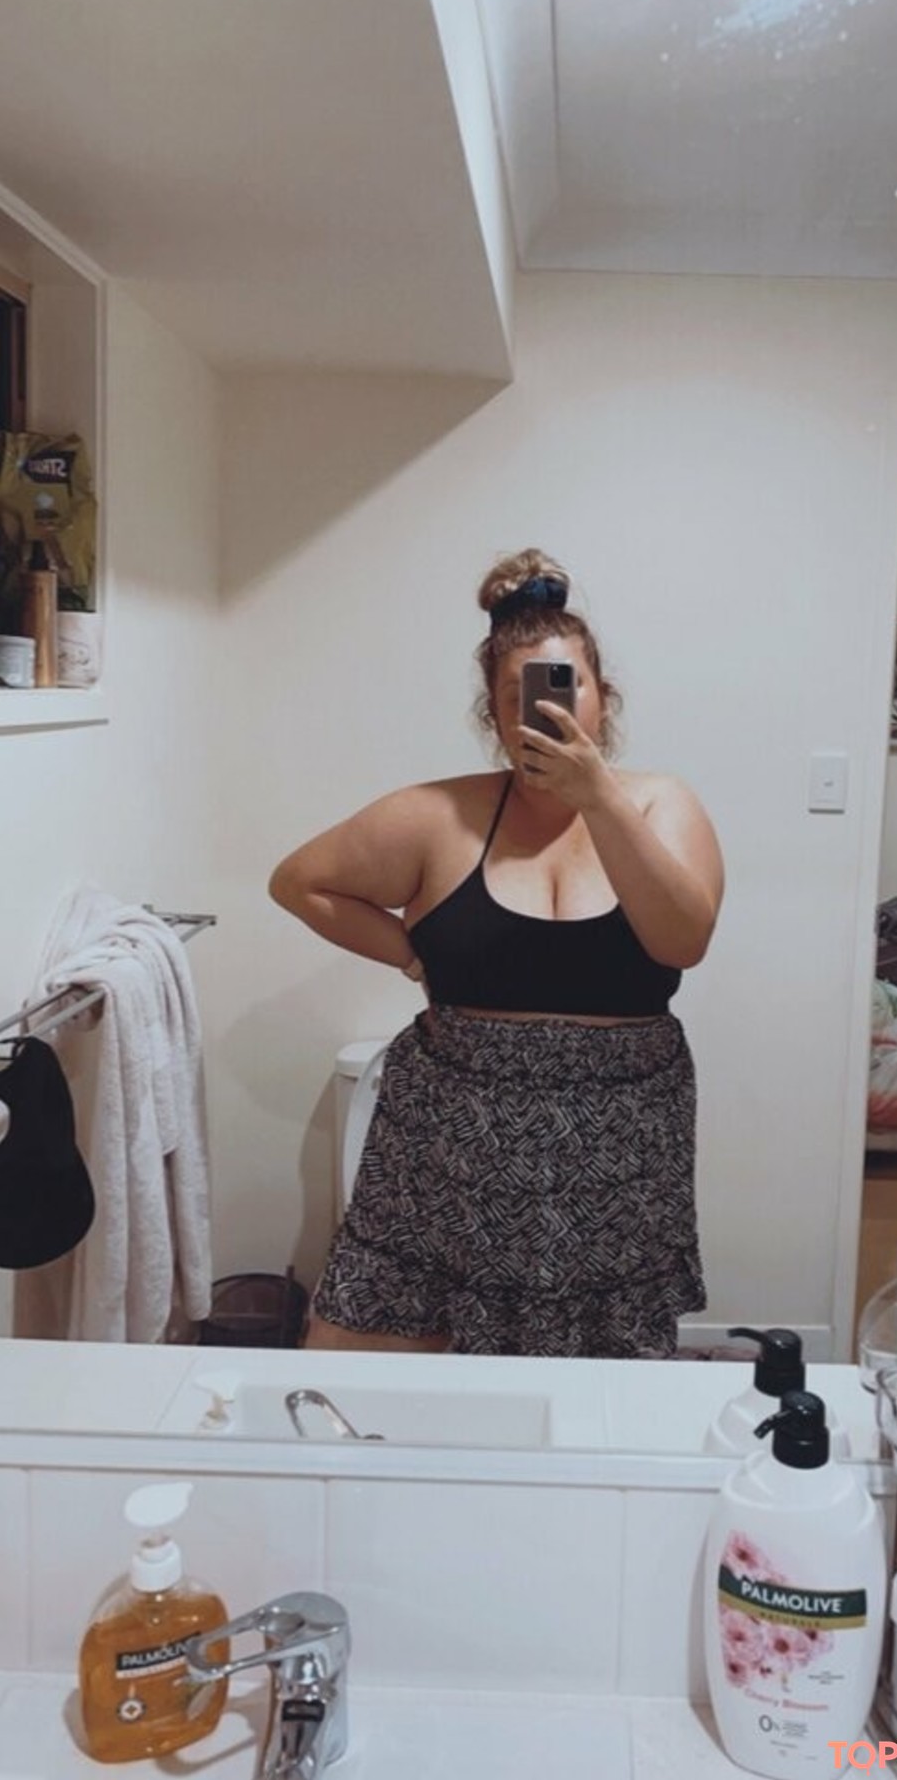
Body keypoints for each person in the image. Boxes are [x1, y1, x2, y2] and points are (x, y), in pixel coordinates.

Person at [269, 549, 724, 1358]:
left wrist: (597, 797)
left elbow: (682, 939)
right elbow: (299, 882)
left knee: (594, 1379)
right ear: (493, 711)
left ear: (603, 696)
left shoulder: (661, 804)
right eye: (519, 693)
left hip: (616, 1153)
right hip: (448, 1143)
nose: (543, 708)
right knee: (367, 1355)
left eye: (564, 684)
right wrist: (412, 954)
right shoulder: (439, 815)